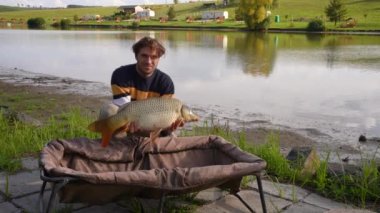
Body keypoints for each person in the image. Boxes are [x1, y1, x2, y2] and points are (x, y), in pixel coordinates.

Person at [99, 36, 175, 136]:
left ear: (159, 59)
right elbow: (124, 109)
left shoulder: (166, 82)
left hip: (153, 128)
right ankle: (117, 146)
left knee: (172, 134)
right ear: (136, 56)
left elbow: (165, 117)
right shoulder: (121, 75)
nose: (148, 61)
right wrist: (130, 125)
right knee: (108, 111)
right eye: (144, 56)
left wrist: (171, 127)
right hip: (126, 126)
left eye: (153, 57)